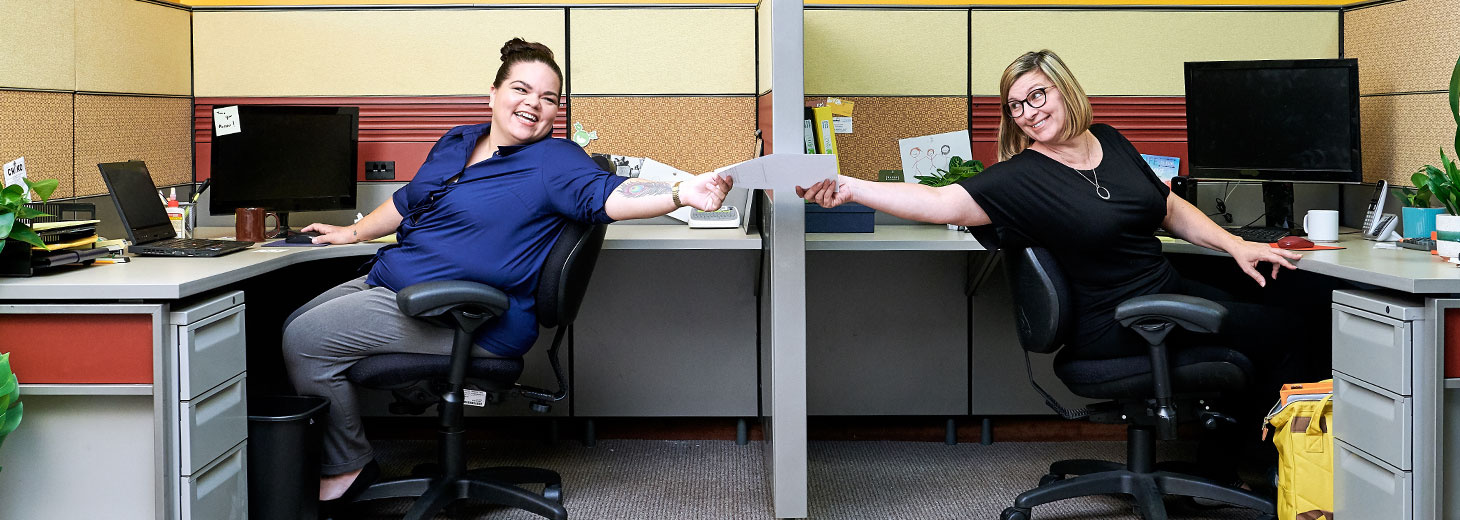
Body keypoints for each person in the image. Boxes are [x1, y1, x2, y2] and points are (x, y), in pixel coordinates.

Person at [797, 49, 1313, 485]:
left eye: (1036, 95)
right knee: (1293, 332)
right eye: (1016, 105)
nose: (1027, 111)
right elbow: (937, 202)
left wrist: (1236, 245)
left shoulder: (1109, 140)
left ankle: (1230, 464)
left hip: (1165, 291)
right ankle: (1247, 468)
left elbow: (1169, 208)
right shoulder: (1019, 178)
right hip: (1115, 323)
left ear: (1065, 88)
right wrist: (848, 187)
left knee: (1294, 299)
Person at [282, 38, 732, 505]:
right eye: (521, 89)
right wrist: (352, 235)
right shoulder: (457, 140)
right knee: (294, 320)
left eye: (548, 98)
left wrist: (682, 191)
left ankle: (349, 465)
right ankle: (337, 440)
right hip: (394, 281)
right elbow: (406, 201)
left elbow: (613, 193)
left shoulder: (555, 161)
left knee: (305, 339)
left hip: (463, 313)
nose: (533, 104)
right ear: (493, 93)